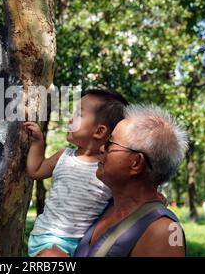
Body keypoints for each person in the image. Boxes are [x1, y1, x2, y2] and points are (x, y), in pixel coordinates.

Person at [39, 104, 188, 257]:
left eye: (110, 143)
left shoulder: (164, 231)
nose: (102, 148)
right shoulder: (105, 205)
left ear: (136, 163)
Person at [24, 89, 129, 257]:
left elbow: (128, 195)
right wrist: (38, 143)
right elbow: (35, 170)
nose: (71, 119)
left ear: (99, 131)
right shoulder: (63, 156)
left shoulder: (108, 169)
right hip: (49, 239)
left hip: (83, 246)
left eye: (79, 114)